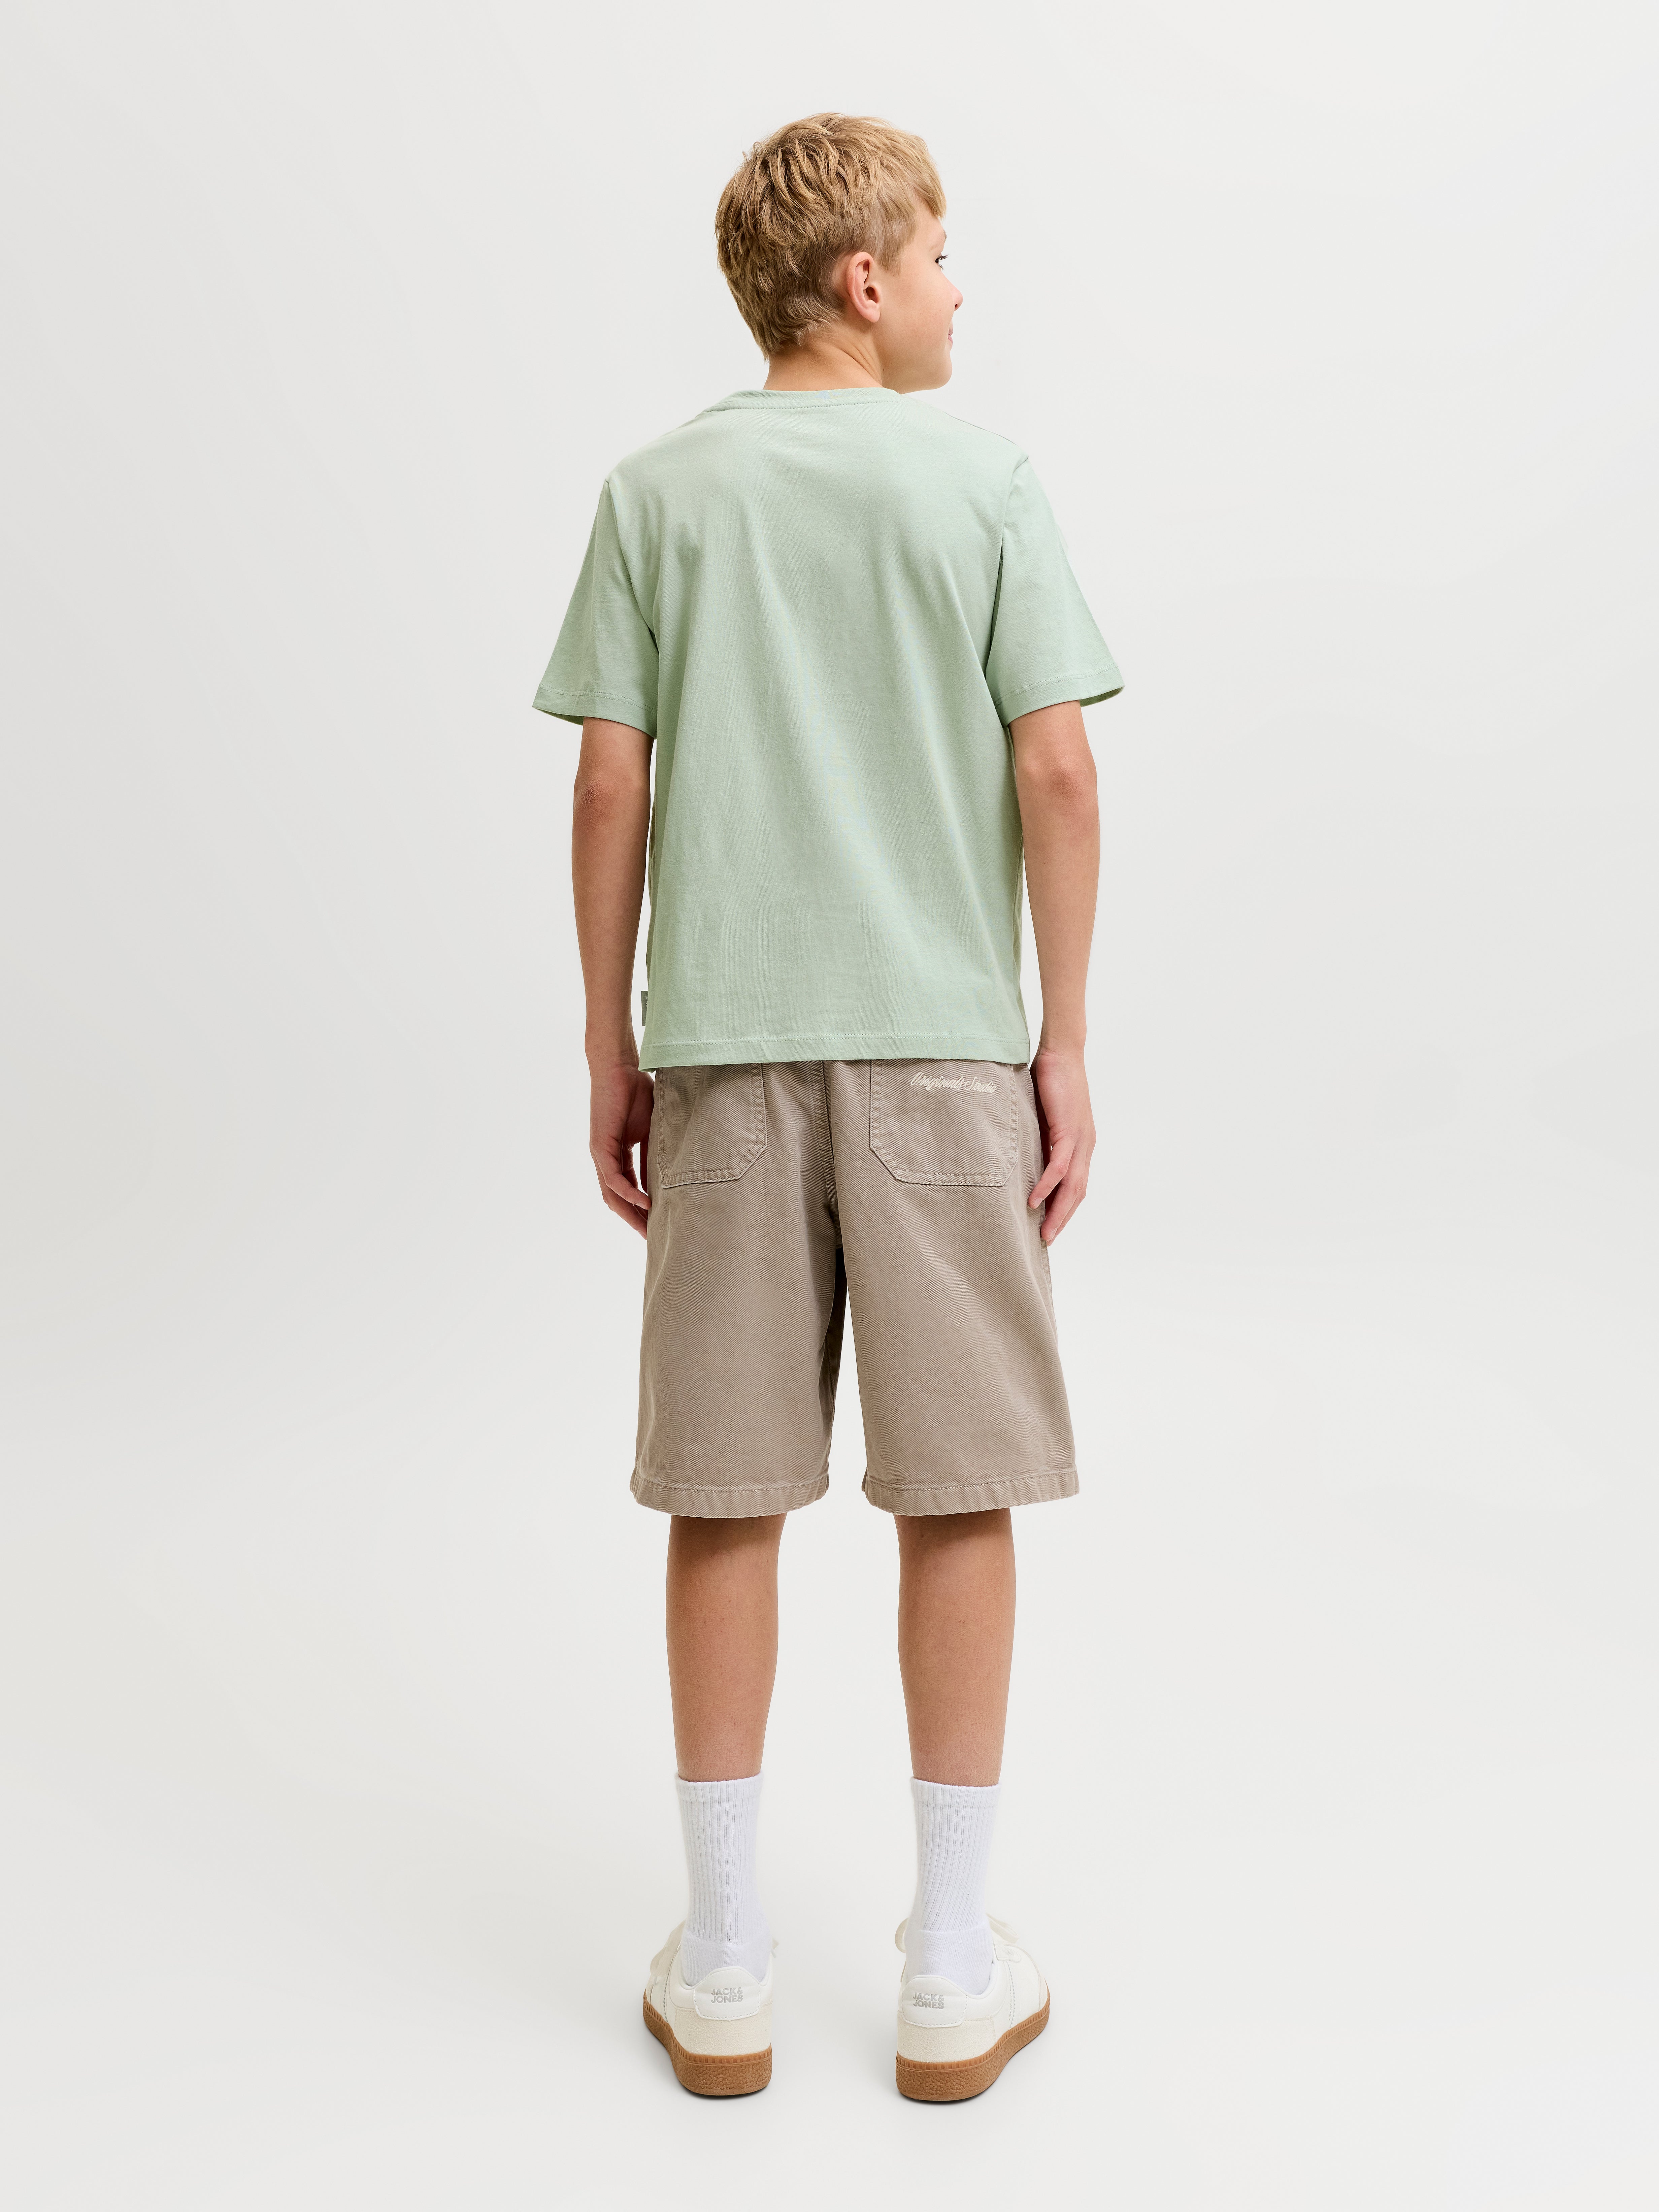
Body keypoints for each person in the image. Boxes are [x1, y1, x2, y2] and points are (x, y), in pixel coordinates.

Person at [536, 112, 1122, 2102]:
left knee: (726, 1493)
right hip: (945, 1054)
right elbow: (1060, 769)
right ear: (863, 282)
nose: (962, 288)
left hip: (720, 1055)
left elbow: (607, 782)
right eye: (944, 255)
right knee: (956, 1491)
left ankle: (722, 1963)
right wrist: (1060, 1039)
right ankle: (952, 1966)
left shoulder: (657, 493)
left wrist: (610, 1044)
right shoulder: (985, 482)